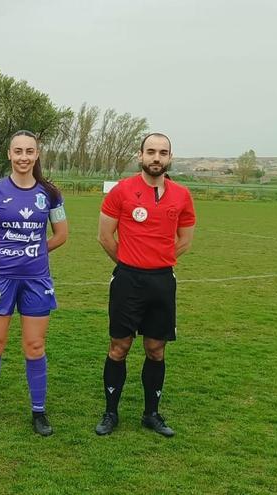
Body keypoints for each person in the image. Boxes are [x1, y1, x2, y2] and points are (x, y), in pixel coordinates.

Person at [0, 130, 68, 436]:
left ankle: (39, 412)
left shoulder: (50, 193)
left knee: (35, 346)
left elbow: (61, 235)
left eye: (29, 152)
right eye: (18, 151)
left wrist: (33, 254)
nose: (24, 157)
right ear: (9, 155)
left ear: (37, 155)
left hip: (36, 279)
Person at [94, 132, 196, 437]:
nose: (156, 158)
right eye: (151, 151)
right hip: (127, 280)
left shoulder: (182, 195)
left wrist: (158, 261)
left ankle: (151, 414)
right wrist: (129, 262)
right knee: (119, 347)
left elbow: (185, 241)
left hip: (162, 282)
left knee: (155, 349)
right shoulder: (122, 191)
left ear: (170, 158)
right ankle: (110, 413)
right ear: (140, 156)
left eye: (163, 153)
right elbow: (104, 237)